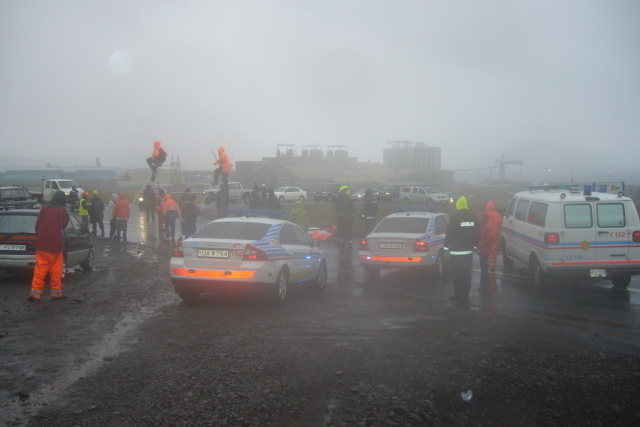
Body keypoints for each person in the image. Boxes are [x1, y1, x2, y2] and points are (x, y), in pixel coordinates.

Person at [28, 190, 70, 301]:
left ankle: (35, 294)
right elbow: (64, 224)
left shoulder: (44, 208)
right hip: (55, 245)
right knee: (56, 270)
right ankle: (55, 294)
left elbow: (37, 225)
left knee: (40, 269)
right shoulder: (62, 210)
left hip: (42, 244)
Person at [443, 196, 480, 302]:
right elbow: (478, 232)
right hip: (468, 251)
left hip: (456, 251)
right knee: (467, 274)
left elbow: (449, 233)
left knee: (457, 274)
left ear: (458, 205)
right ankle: (465, 295)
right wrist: (474, 245)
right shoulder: (472, 217)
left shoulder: (454, 217)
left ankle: (457, 294)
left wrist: (446, 246)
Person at [477, 201, 503, 292]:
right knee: (493, 252)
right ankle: (492, 267)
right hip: (495, 235)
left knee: (483, 264)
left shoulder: (483, 214)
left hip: (485, 238)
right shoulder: (497, 214)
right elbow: (500, 223)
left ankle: (488, 273)